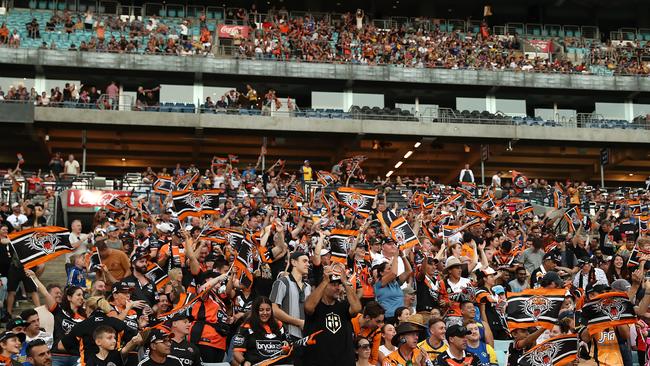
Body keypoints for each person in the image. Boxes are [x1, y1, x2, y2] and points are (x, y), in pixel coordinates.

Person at [303, 264, 362, 366]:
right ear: (324, 286)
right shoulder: (315, 305)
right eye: (333, 284)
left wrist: (345, 282)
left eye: (339, 285)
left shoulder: (344, 305)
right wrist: (325, 281)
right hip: (318, 361)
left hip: (343, 361)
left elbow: (357, 308)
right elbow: (308, 307)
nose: (338, 288)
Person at [269, 251, 311, 342]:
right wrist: (298, 322)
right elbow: (274, 310)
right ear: (294, 262)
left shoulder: (308, 287)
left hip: (306, 336)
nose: (308, 264)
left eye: (308, 262)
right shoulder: (282, 283)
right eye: (304, 261)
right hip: (287, 337)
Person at [232, 296, 285, 366]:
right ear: (255, 311)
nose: (265, 313)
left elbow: (288, 344)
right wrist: (244, 362)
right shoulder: (245, 327)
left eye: (268, 310)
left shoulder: (279, 325)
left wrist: (286, 345)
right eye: (261, 310)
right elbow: (237, 352)